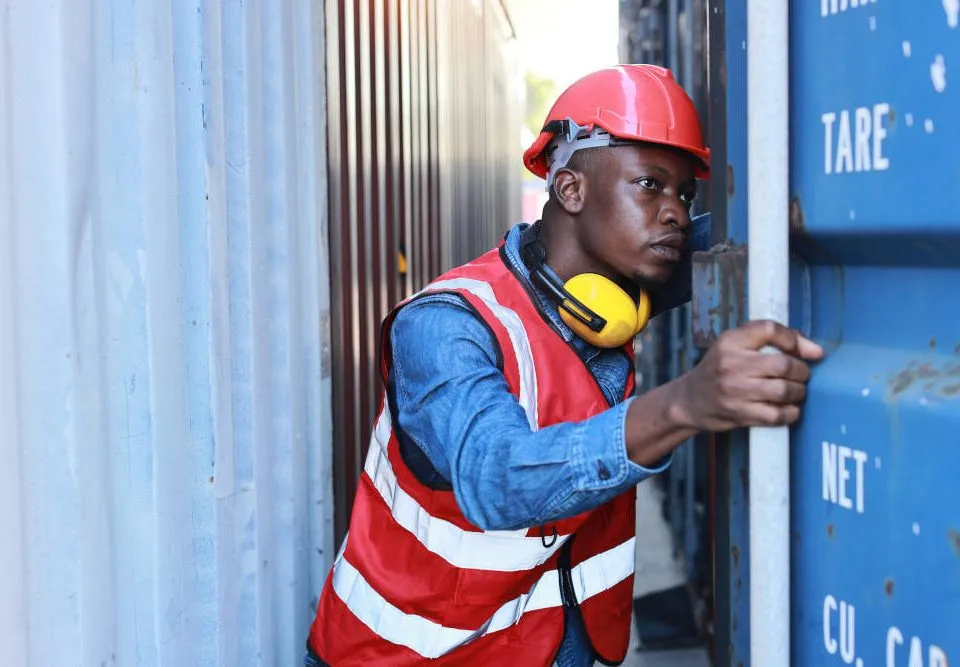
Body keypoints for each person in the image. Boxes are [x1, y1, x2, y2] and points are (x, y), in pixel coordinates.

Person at [303, 64, 823, 667]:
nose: (675, 212)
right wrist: (683, 404)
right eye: (649, 184)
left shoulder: (611, 291)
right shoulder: (447, 325)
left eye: (684, 193)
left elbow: (734, 238)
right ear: (570, 189)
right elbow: (496, 479)